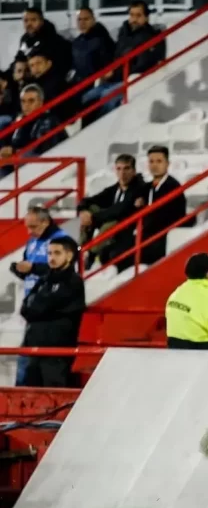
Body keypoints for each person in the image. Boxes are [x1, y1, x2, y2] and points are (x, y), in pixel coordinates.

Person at [81, 0, 164, 122]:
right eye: (132, 15)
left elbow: (143, 64)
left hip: (132, 81)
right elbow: (116, 56)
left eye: (138, 15)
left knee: (107, 96)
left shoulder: (151, 37)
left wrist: (116, 72)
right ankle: (85, 132)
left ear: (146, 17)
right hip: (115, 79)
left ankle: (103, 129)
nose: (134, 19)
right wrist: (110, 70)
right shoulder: (124, 33)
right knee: (87, 97)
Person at [20, 236, 85, 388]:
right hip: (34, 349)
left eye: (57, 253)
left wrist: (38, 308)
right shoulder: (44, 280)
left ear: (69, 256)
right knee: (31, 396)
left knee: (54, 395)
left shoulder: (73, 282)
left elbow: (47, 306)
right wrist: (40, 308)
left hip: (57, 352)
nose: (52, 257)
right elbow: (25, 308)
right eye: (49, 253)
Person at [123, 145, 188, 270]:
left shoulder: (173, 187)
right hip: (146, 236)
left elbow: (171, 217)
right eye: (151, 161)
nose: (154, 165)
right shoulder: (147, 188)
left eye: (159, 161)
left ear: (167, 163)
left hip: (162, 238)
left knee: (127, 254)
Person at [77, 153, 146, 267]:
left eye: (126, 168)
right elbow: (90, 200)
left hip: (127, 229)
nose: (122, 173)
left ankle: (90, 254)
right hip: (111, 223)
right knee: (90, 209)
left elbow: (120, 210)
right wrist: (84, 211)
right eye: (119, 169)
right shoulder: (115, 188)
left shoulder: (139, 187)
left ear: (134, 171)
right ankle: (81, 250)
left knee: (111, 223)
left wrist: (93, 218)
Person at [0, 85, 66, 166]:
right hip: (23, 164)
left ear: (40, 103)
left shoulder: (49, 120)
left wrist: (13, 151)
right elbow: (14, 144)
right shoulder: (19, 121)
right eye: (23, 101)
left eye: (31, 101)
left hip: (47, 162)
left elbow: (44, 151)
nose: (26, 105)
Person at [17, 7, 72, 75]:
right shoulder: (25, 39)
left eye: (33, 20)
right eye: (26, 20)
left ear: (41, 21)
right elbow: (19, 58)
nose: (29, 24)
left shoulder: (54, 40)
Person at [26, 47, 75, 124]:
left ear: (49, 63)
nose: (35, 69)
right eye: (32, 66)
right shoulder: (33, 86)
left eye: (38, 63)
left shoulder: (57, 81)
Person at [71, 6, 116, 84]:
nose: (82, 23)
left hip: (95, 82)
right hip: (78, 82)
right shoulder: (76, 42)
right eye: (79, 19)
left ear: (93, 20)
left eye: (86, 19)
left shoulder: (103, 40)